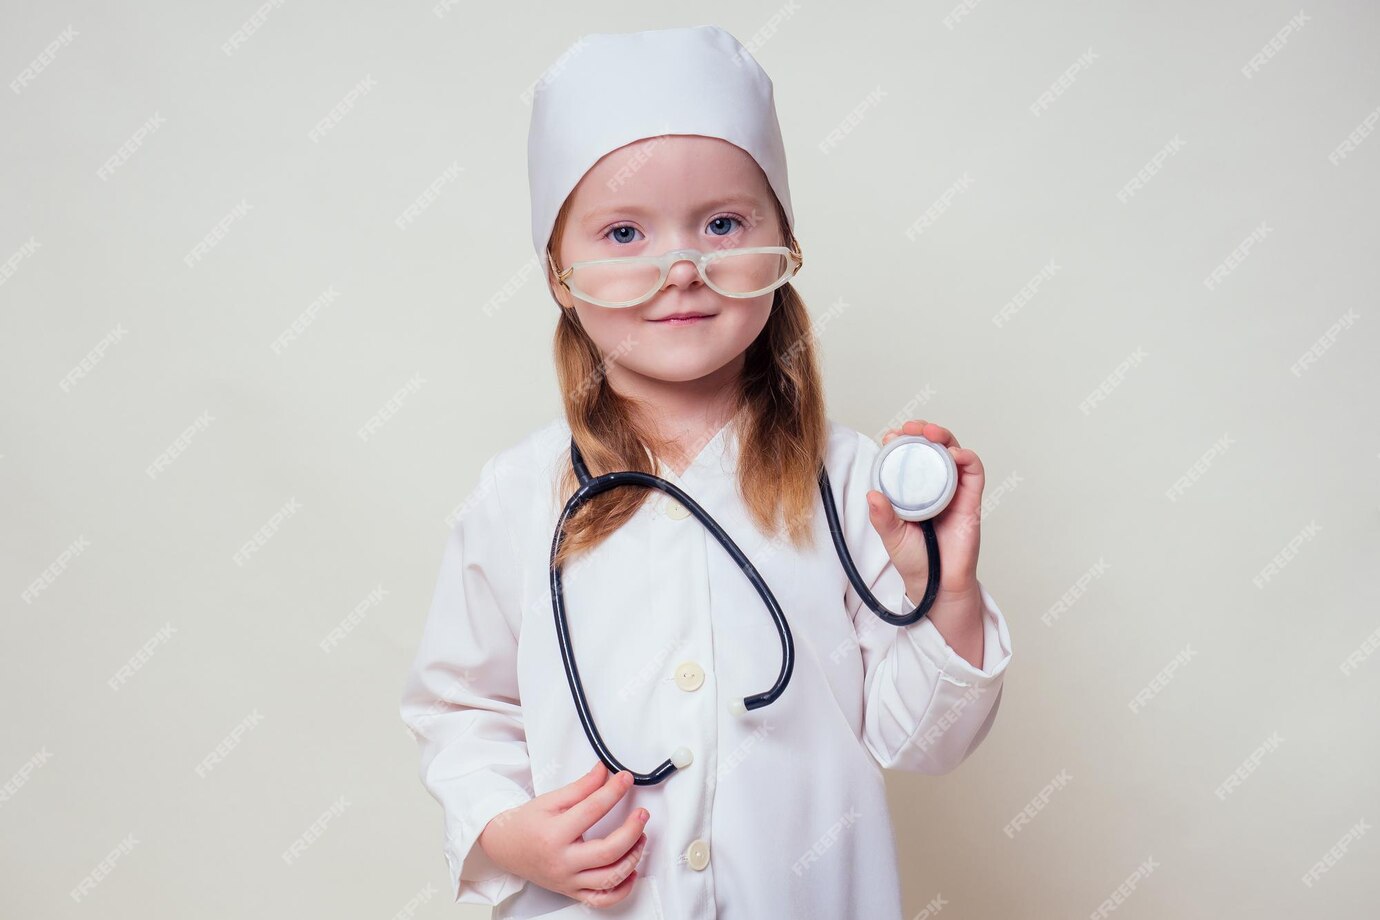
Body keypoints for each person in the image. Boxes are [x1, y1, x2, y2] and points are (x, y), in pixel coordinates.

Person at [399, 24, 1014, 920]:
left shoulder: (855, 486)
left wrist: (945, 592)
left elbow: (923, 741)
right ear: (560, 275)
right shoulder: (518, 495)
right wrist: (503, 830)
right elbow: (460, 705)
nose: (681, 267)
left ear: (784, 245)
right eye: (623, 231)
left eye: (723, 223)